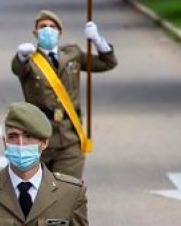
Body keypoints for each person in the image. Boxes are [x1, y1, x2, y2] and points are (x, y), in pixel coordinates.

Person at [11, 10, 117, 180]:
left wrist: (98, 40)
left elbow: (108, 63)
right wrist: (21, 57)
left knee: (68, 192)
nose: (47, 30)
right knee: (39, 195)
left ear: (60, 32)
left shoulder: (72, 54)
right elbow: (17, 69)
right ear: (35, 32)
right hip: (39, 137)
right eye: (43, 26)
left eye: (52, 27)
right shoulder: (29, 58)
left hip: (70, 136)